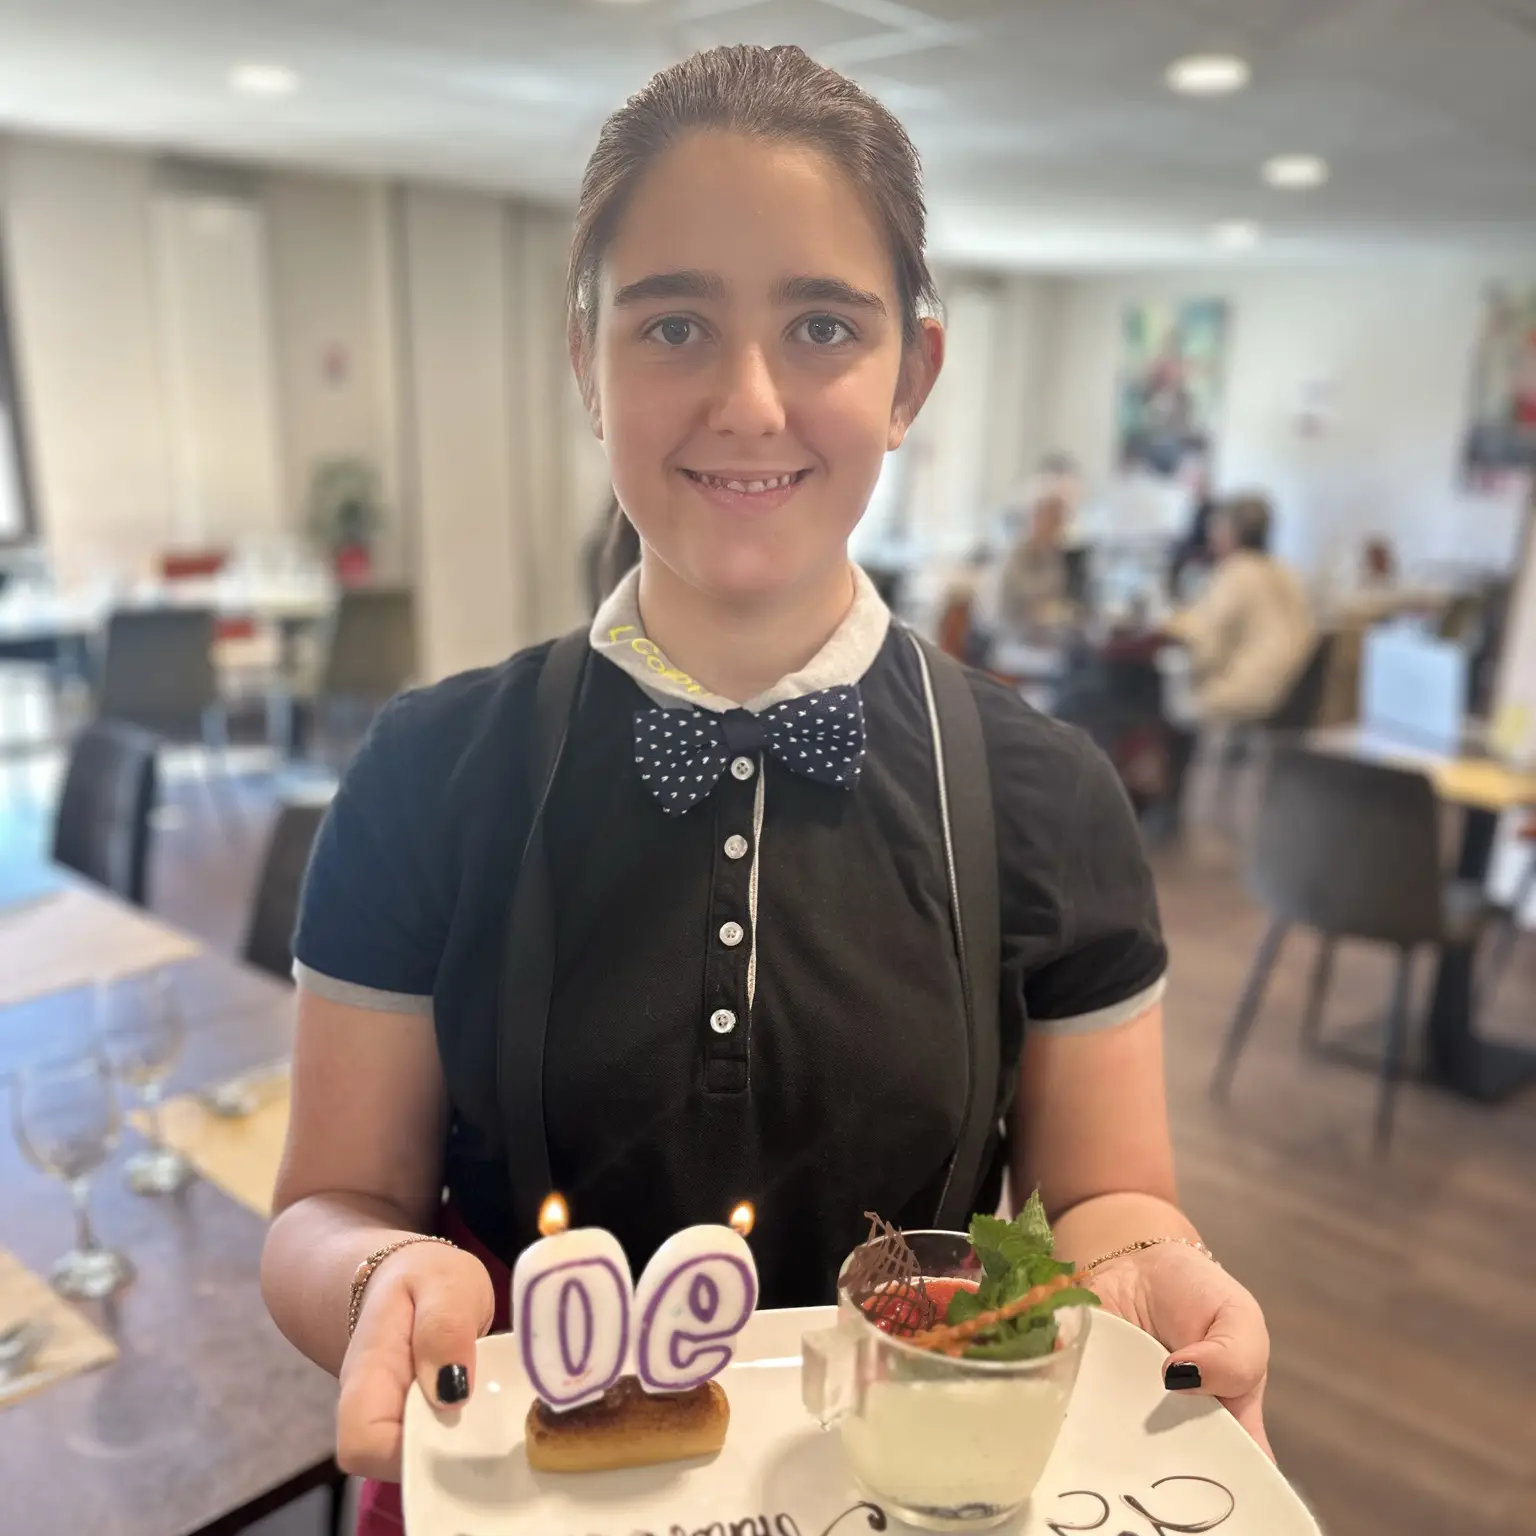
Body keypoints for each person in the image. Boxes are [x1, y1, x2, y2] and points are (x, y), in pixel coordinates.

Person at [260, 45, 1273, 1531]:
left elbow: (1106, 1203)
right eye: (674, 324)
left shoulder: (1049, 796)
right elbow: (321, 1209)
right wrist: (375, 1275)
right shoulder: (425, 774)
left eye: (820, 326)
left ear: (912, 373)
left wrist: (1151, 1272)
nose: (748, 402)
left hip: (907, 1485)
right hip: (524, 1496)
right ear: (586, 361)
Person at [1161, 493, 1316, 822]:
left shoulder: (1236, 574)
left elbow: (1204, 645)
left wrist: (1177, 627)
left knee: (1157, 697)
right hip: (1293, 690)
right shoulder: (1283, 571)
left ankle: (1166, 809)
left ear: (1231, 531)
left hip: (1247, 692)